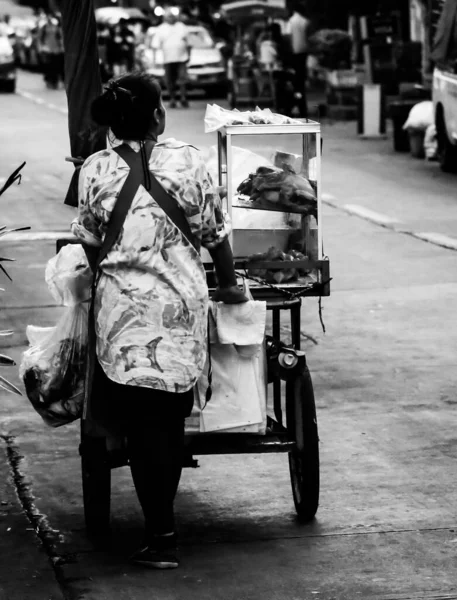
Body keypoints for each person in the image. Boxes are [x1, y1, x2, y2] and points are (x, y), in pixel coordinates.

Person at [71, 71, 247, 569]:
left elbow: (87, 241)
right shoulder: (189, 160)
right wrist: (230, 285)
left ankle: (162, 534)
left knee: (140, 426)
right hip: (177, 316)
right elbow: (214, 236)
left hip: (121, 322)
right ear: (156, 116)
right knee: (165, 424)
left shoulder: (94, 169)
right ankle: (162, 531)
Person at [152, 9, 191, 108]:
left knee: (182, 79)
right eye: (169, 16)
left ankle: (183, 98)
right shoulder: (161, 28)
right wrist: (155, 59)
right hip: (168, 59)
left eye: (172, 16)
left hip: (182, 58)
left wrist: (189, 56)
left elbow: (189, 43)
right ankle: (172, 99)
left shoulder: (182, 27)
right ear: (165, 18)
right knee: (169, 81)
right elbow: (155, 45)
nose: (171, 18)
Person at [285, 2, 310, 117]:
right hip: (304, 53)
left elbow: (289, 38)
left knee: (296, 83)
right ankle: (301, 107)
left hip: (294, 54)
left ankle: (295, 106)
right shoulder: (305, 21)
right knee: (301, 82)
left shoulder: (291, 21)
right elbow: (308, 37)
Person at [39, 13, 64, 89]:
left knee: (56, 66)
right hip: (47, 50)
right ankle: (49, 81)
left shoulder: (56, 28)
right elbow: (41, 38)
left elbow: (60, 38)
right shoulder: (44, 27)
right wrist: (41, 47)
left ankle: (55, 82)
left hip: (56, 50)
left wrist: (61, 47)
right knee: (48, 67)